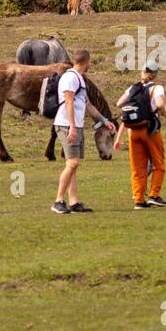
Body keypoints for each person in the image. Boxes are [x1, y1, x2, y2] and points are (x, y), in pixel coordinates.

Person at [52, 49, 115, 214]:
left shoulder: (79, 79)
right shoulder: (70, 77)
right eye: (89, 62)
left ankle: (73, 202)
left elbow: (88, 105)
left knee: (72, 165)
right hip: (66, 125)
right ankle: (58, 201)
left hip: (76, 125)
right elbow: (68, 102)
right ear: (86, 61)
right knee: (73, 163)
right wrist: (72, 126)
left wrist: (104, 121)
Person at [114, 60, 166, 210]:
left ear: (142, 72)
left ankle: (138, 200)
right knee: (158, 163)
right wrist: (163, 111)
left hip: (133, 132)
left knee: (138, 167)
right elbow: (160, 105)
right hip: (150, 130)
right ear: (155, 75)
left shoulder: (132, 88)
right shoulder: (157, 88)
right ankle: (154, 195)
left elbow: (119, 103)